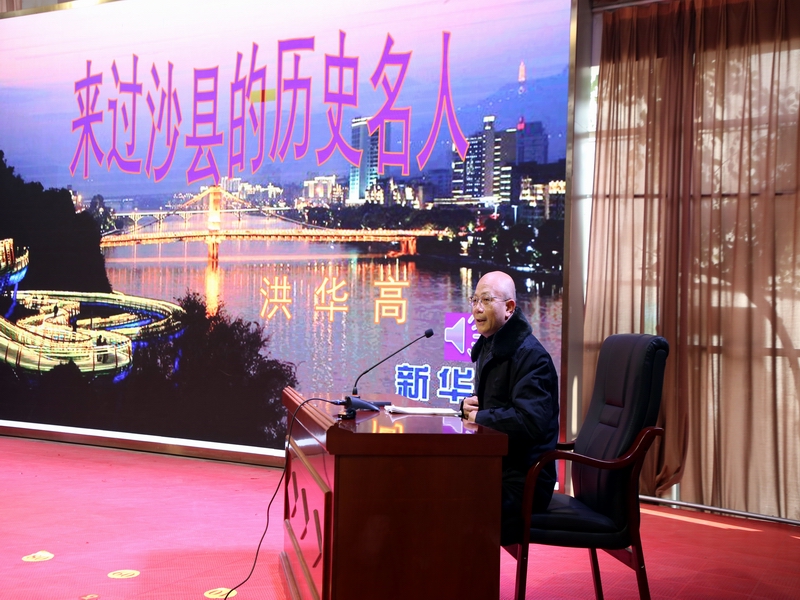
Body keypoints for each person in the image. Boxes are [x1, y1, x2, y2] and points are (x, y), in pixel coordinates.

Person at [461, 271, 559, 546]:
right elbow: (493, 405)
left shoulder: (532, 357)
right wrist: (467, 406)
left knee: (453, 504)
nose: (477, 309)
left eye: (486, 300)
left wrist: (480, 416)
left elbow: (529, 421)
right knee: (436, 487)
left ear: (509, 307)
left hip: (524, 480)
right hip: (497, 468)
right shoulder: (490, 345)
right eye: (474, 300)